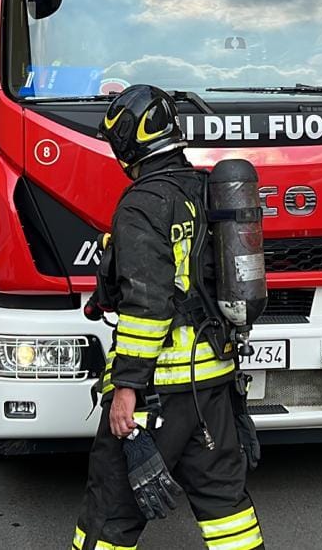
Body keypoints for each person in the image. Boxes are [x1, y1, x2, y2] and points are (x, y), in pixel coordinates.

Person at [70, 85, 264, 550]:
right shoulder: (204, 191)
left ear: (126, 145)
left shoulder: (141, 205)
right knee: (227, 507)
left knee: (111, 511)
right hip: (213, 383)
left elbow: (148, 305)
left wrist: (127, 390)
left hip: (159, 390)